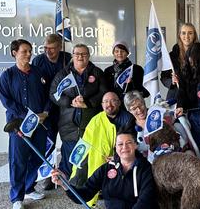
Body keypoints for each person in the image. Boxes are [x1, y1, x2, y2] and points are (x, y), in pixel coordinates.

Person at [0, 39, 50, 209]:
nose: (29, 54)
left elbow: (49, 95)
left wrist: (45, 112)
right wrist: (28, 115)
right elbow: (7, 100)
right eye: (24, 51)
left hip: (40, 124)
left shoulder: (39, 72)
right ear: (15, 53)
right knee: (18, 160)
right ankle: (17, 197)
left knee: (38, 156)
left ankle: (29, 187)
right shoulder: (7, 76)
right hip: (18, 125)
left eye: (30, 51)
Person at [51, 131, 159, 209]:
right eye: (120, 144)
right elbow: (84, 195)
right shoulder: (106, 168)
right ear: (115, 148)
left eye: (129, 143)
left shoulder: (146, 168)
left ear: (135, 145)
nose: (124, 147)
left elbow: (145, 202)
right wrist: (65, 184)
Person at [50, 44, 107, 177]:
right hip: (69, 125)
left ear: (88, 56)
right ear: (72, 56)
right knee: (71, 157)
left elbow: (104, 92)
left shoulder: (97, 72)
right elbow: (53, 93)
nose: (80, 56)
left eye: (84, 54)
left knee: (92, 155)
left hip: (91, 121)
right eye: (77, 54)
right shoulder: (63, 74)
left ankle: (91, 185)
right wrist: (70, 102)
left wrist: (87, 103)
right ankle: (71, 186)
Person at [71, 92, 134, 206]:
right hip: (101, 157)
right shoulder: (96, 119)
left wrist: (116, 156)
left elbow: (128, 141)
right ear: (102, 104)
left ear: (119, 103)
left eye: (113, 101)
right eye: (105, 102)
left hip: (122, 156)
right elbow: (86, 140)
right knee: (84, 166)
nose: (109, 104)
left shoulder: (127, 118)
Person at [31, 33, 72, 190]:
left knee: (68, 141)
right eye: (45, 48)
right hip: (46, 110)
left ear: (60, 47)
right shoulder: (38, 60)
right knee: (48, 143)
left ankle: (67, 174)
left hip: (65, 107)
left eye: (52, 48)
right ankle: (47, 176)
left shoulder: (67, 58)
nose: (48, 51)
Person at [162, 22, 198, 101]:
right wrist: (171, 81)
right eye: (183, 33)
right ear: (179, 35)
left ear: (194, 35)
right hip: (176, 97)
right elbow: (164, 77)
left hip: (195, 98)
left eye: (190, 33)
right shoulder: (171, 56)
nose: (187, 36)